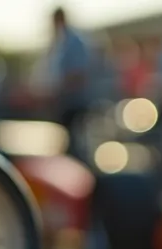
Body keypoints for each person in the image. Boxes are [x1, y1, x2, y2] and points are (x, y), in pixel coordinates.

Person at [47, 6, 93, 155]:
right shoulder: (61, 41)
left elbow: (78, 73)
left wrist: (59, 88)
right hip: (65, 100)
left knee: (75, 142)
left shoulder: (73, 41)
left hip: (75, 101)